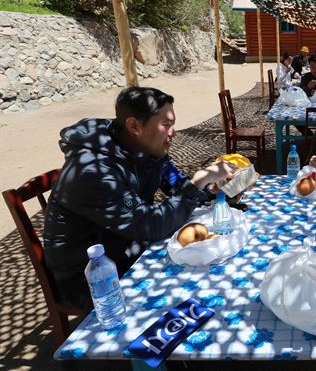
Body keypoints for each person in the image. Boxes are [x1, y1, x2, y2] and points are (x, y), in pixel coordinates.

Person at [43, 87, 237, 310]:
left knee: (210, 264)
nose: (173, 133)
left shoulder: (143, 148)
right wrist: (196, 183)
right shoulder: (93, 171)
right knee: (199, 285)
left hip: (126, 246)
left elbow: (174, 183)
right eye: (166, 125)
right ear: (134, 125)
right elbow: (148, 225)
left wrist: (206, 188)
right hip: (91, 277)